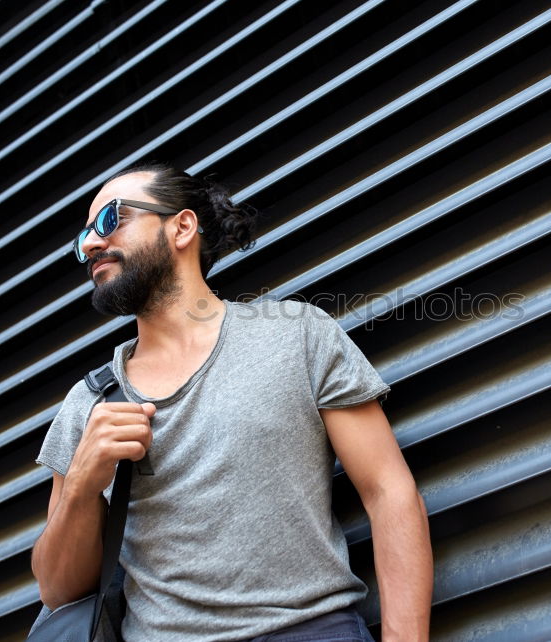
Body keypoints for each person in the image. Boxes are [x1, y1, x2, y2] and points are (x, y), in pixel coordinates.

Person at [30, 161, 433, 641]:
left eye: (110, 220)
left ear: (182, 227)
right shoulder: (89, 403)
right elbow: (57, 591)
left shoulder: (295, 335)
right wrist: (80, 484)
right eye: (84, 238)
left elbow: (389, 494)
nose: (92, 243)